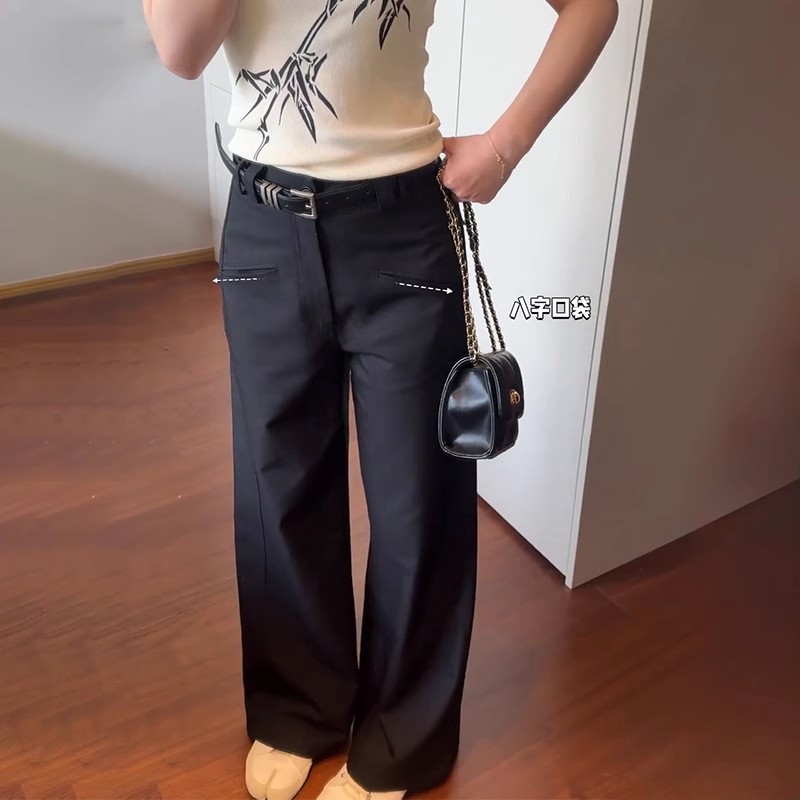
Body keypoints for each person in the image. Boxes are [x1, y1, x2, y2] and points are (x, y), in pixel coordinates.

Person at [143, 1, 618, 798]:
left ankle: (404, 740)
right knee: (278, 483)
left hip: (401, 228)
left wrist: (504, 146)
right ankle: (298, 708)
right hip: (263, 221)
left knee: (418, 497)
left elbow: (592, 8)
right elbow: (182, 52)